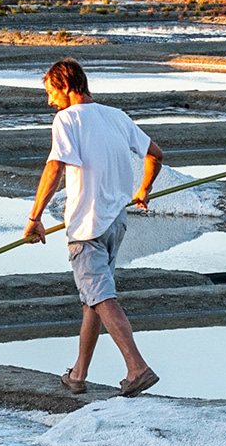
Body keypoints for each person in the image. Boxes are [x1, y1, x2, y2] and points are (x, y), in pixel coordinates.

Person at [23, 58, 162, 397]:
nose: (49, 101)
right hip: (116, 222)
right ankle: (78, 374)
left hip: (87, 225)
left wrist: (34, 217)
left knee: (101, 296)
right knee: (93, 300)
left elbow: (54, 169)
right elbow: (155, 154)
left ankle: (137, 367)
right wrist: (143, 189)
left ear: (67, 87)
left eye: (51, 93)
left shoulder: (66, 119)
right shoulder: (116, 116)